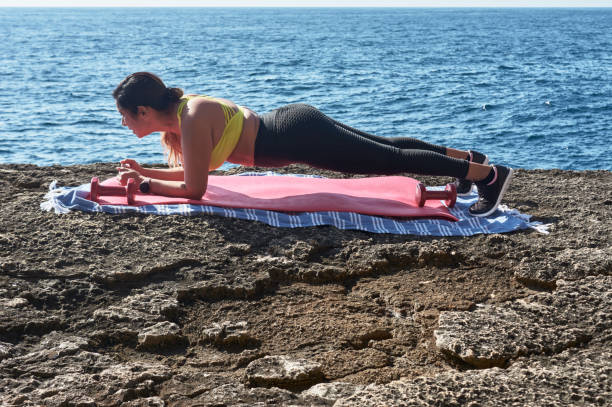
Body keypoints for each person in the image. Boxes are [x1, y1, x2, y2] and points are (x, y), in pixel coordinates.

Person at [113, 72, 513, 217]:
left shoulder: (192, 118)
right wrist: (144, 171)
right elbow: (199, 173)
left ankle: (488, 176)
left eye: (126, 115)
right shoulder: (186, 115)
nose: (124, 123)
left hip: (294, 135)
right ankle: (470, 160)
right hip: (292, 124)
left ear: (145, 110)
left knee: (384, 158)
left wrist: (147, 186)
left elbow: (195, 189)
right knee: (383, 145)